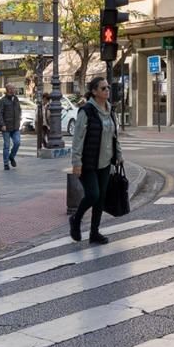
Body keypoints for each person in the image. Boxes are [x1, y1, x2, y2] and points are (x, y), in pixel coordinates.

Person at [67, 75, 119, 245]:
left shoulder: (110, 109)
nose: (107, 91)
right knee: (92, 195)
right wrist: (76, 162)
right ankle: (76, 219)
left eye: (108, 87)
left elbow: (113, 135)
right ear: (95, 92)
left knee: (101, 197)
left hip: (105, 161)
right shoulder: (86, 111)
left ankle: (94, 232)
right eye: (103, 88)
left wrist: (118, 155)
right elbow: (78, 139)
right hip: (88, 161)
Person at [0, 85, 22, 171]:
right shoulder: (2, 101)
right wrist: (2, 124)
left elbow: (19, 110)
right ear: (8, 90)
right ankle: (5, 163)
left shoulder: (16, 99)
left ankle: (11, 157)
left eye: (14, 88)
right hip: (6, 127)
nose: (14, 90)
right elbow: (0, 114)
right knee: (6, 146)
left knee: (17, 142)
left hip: (15, 126)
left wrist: (19, 119)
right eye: (13, 88)